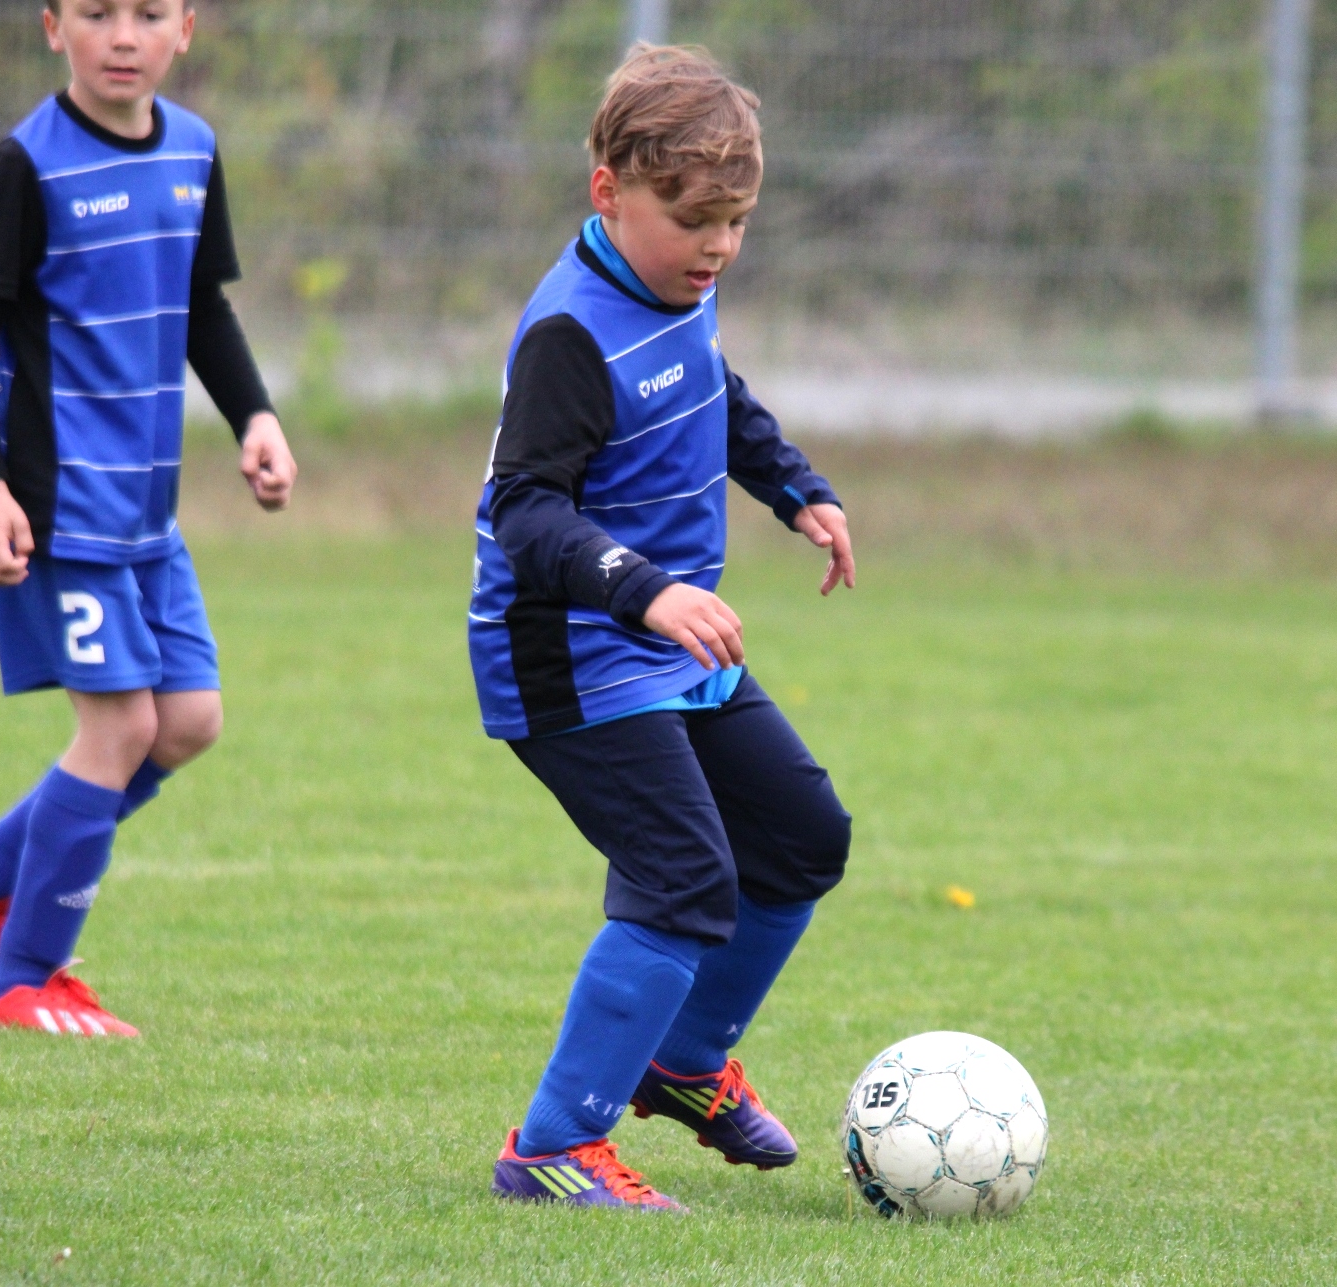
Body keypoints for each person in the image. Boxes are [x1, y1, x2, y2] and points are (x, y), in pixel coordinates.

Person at [472, 43, 856, 1211]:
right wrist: (647, 589)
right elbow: (522, 510)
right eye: (691, 220)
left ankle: (682, 1063)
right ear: (608, 191)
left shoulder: (679, 288)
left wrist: (795, 489)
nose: (717, 246)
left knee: (799, 837)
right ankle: (551, 1147)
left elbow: (709, 393)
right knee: (681, 876)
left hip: (666, 644)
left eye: (734, 223)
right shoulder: (569, 333)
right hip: (568, 654)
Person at [0, 0, 294, 1037]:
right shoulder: (26, 166)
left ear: (186, 29)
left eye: (148, 13)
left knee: (188, 721)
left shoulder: (193, 150)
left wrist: (254, 416)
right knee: (118, 728)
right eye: (97, 12)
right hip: (59, 509)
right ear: (52, 27)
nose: (124, 35)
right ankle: (20, 981)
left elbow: (201, 307)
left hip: (148, 515)